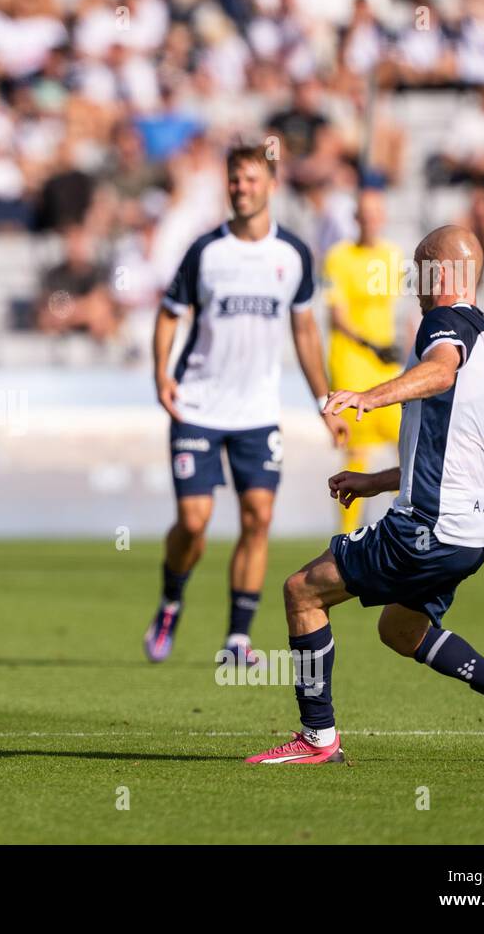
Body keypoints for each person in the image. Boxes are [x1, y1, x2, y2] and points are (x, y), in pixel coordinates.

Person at [245, 226, 484, 765]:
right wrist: (372, 482)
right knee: (401, 629)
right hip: (473, 533)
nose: (412, 282)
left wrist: (369, 398)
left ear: (440, 274)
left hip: (428, 526)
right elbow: (448, 451)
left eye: (419, 269)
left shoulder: (441, 325)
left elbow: (439, 373)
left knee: (302, 592)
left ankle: (317, 739)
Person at [146, 143, 347, 667]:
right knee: (194, 520)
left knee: (258, 517)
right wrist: (161, 372)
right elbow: (170, 313)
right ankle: (171, 599)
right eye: (234, 180)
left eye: (251, 179)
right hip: (198, 405)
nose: (241, 188)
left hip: (257, 412)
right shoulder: (206, 251)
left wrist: (324, 400)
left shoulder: (293, 255)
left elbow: (305, 330)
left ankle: (237, 639)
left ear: (271, 185)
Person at [322, 178, 404, 530]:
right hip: (352, 365)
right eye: (364, 214)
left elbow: (401, 310)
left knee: (408, 442)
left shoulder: (393, 256)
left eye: (375, 214)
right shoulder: (338, 257)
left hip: (385, 368)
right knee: (356, 452)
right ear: (355, 217)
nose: (369, 220)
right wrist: (372, 344)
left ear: (382, 217)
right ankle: (348, 534)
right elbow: (336, 316)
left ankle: (408, 520)